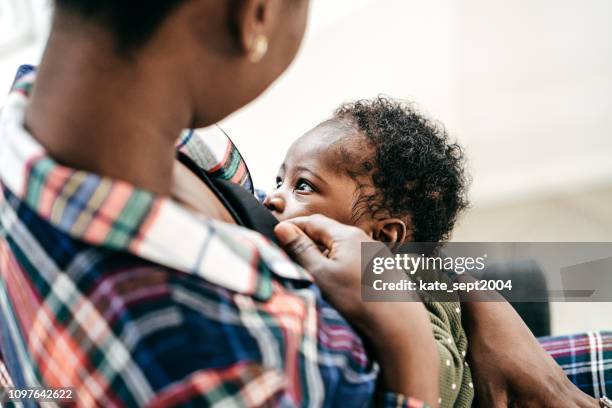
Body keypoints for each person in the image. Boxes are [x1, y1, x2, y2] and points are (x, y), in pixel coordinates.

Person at [0, 1, 608, 407]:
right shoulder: (208, 363)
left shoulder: (141, 137)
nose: (276, 197)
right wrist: (404, 341)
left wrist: (483, 295)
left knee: (545, 271)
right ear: (254, 14)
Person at [263, 97, 473, 407]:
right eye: (279, 181)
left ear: (382, 236)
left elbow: (444, 380)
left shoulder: (413, 279)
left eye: (302, 186)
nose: (272, 199)